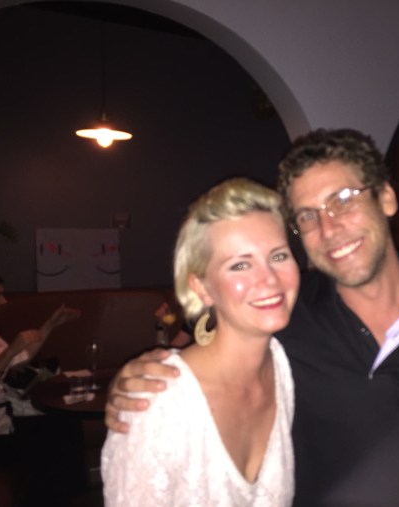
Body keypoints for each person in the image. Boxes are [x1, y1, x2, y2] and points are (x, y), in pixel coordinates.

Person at [105, 129, 399, 506]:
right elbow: (210, 355)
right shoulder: (284, 313)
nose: (328, 227)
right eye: (308, 215)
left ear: (387, 197)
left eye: (343, 199)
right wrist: (139, 378)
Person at [101, 178, 299, 506]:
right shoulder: (159, 402)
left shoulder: (282, 367)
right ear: (202, 288)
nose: (269, 279)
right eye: (240, 264)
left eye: (278, 256)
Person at [0, 268, 79, 442]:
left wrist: (50, 325)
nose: (3, 301)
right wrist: (10, 351)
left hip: (2, 425)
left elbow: (18, 360)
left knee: (69, 425)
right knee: (62, 438)